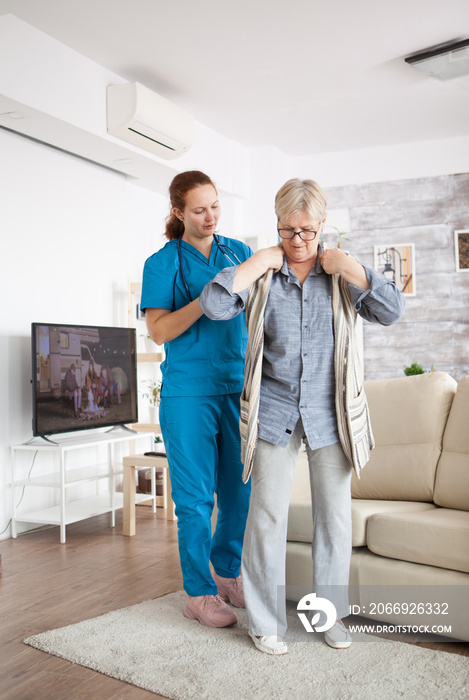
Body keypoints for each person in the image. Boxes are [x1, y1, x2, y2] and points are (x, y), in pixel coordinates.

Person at [199, 178, 405, 654]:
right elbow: (213, 305)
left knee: (333, 520)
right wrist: (255, 263)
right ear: (277, 226)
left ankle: (327, 619)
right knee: (266, 517)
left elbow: (392, 311)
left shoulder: (340, 276)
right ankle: (265, 623)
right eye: (287, 230)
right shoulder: (265, 275)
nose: (296, 241)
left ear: (322, 226)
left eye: (307, 231)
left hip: (330, 413)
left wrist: (352, 267)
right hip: (274, 410)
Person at [140, 170, 252, 628]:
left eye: (215, 206)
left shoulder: (238, 253)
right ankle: (198, 592)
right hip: (188, 393)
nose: (210, 216)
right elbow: (159, 330)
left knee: (239, 493)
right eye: (199, 209)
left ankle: (227, 574)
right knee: (194, 500)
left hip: (237, 386)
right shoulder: (162, 264)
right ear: (178, 212)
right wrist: (205, 301)